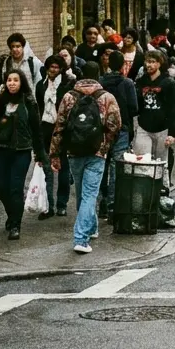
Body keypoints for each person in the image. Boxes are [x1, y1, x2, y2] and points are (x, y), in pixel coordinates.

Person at [49, 62, 122, 254]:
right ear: (98, 75)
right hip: (96, 152)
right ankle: (81, 238)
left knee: (83, 192)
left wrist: (55, 154)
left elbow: (59, 127)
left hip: (74, 152)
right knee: (90, 193)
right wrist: (105, 145)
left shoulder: (68, 97)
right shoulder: (106, 97)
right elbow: (115, 125)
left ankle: (92, 227)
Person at [0, 71, 41, 240]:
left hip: (21, 150)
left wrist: (41, 154)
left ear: (21, 83)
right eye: (9, 80)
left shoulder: (29, 102)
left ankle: (16, 224)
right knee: (2, 188)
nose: (12, 83)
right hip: (0, 150)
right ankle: (11, 215)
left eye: (15, 80)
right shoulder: (0, 101)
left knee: (16, 188)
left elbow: (36, 129)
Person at [34, 55, 76, 219]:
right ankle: (48, 205)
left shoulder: (67, 84)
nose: (53, 70)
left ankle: (62, 204)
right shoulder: (41, 85)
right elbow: (38, 107)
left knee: (63, 165)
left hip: (62, 128)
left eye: (56, 67)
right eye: (51, 67)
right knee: (46, 166)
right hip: (45, 127)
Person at [98, 50, 138, 217]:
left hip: (102, 129)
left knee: (102, 164)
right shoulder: (127, 83)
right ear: (122, 65)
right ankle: (113, 204)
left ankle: (102, 201)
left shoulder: (100, 82)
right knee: (116, 165)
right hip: (121, 128)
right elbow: (134, 108)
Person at [133, 51, 175, 176]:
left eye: (153, 62)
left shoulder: (169, 82)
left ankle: (163, 189)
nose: (149, 65)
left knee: (161, 164)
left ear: (160, 64)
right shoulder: (141, 81)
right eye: (147, 62)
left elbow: (174, 109)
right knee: (143, 162)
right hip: (144, 126)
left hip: (162, 128)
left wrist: (172, 133)